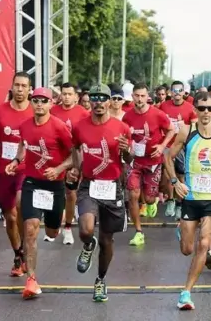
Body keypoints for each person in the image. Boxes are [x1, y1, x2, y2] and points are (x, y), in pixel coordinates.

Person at [164, 91, 211, 310]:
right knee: (187, 249)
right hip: (191, 196)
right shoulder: (187, 131)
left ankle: (186, 292)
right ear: (194, 109)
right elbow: (167, 155)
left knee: (205, 242)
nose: (206, 113)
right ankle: (182, 228)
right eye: (202, 108)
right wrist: (175, 182)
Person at [7, 87, 74, 299]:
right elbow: (22, 146)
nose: (39, 104)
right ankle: (32, 279)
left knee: (52, 233)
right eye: (35, 100)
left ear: (50, 104)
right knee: (30, 229)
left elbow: (75, 156)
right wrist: (17, 161)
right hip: (32, 183)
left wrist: (59, 169)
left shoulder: (60, 127)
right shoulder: (25, 126)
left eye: (43, 101)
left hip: (54, 185)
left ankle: (59, 218)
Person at [70, 84, 132, 302]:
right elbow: (75, 148)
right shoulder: (79, 127)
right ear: (89, 101)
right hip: (89, 184)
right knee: (86, 230)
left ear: (109, 101)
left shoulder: (121, 127)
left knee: (107, 240)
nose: (98, 102)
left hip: (112, 186)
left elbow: (128, 160)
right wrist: (76, 168)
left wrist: (126, 152)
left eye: (102, 98)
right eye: (94, 98)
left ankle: (100, 280)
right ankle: (88, 244)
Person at [0, 72, 34, 277]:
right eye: (17, 85)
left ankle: (27, 251)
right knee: (10, 217)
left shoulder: (34, 111)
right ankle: (18, 253)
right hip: (3, 171)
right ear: (11, 87)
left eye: (24, 86)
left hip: (26, 169)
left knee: (21, 206)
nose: (20, 90)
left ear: (29, 89)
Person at [123, 83, 175, 246]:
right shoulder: (127, 117)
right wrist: (127, 147)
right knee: (133, 195)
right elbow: (124, 135)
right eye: (136, 95)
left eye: (142, 96)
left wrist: (162, 146)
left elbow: (172, 130)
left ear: (147, 97)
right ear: (132, 96)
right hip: (134, 162)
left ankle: (151, 201)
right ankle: (138, 232)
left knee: (151, 199)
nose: (139, 99)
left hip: (153, 162)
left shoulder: (158, 114)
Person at [50, 82, 90, 245]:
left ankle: (67, 228)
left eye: (69, 94)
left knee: (70, 194)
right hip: (54, 157)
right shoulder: (53, 111)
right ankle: (53, 226)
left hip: (74, 157)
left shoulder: (83, 113)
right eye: (64, 93)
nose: (66, 96)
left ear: (76, 96)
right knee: (53, 192)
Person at [159, 81, 198, 219]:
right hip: (168, 144)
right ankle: (170, 200)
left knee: (181, 174)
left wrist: (185, 126)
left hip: (182, 145)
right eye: (174, 90)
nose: (177, 93)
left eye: (180, 90)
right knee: (169, 174)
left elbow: (195, 127)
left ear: (183, 92)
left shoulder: (189, 108)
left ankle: (180, 203)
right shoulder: (163, 106)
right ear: (170, 92)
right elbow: (158, 122)